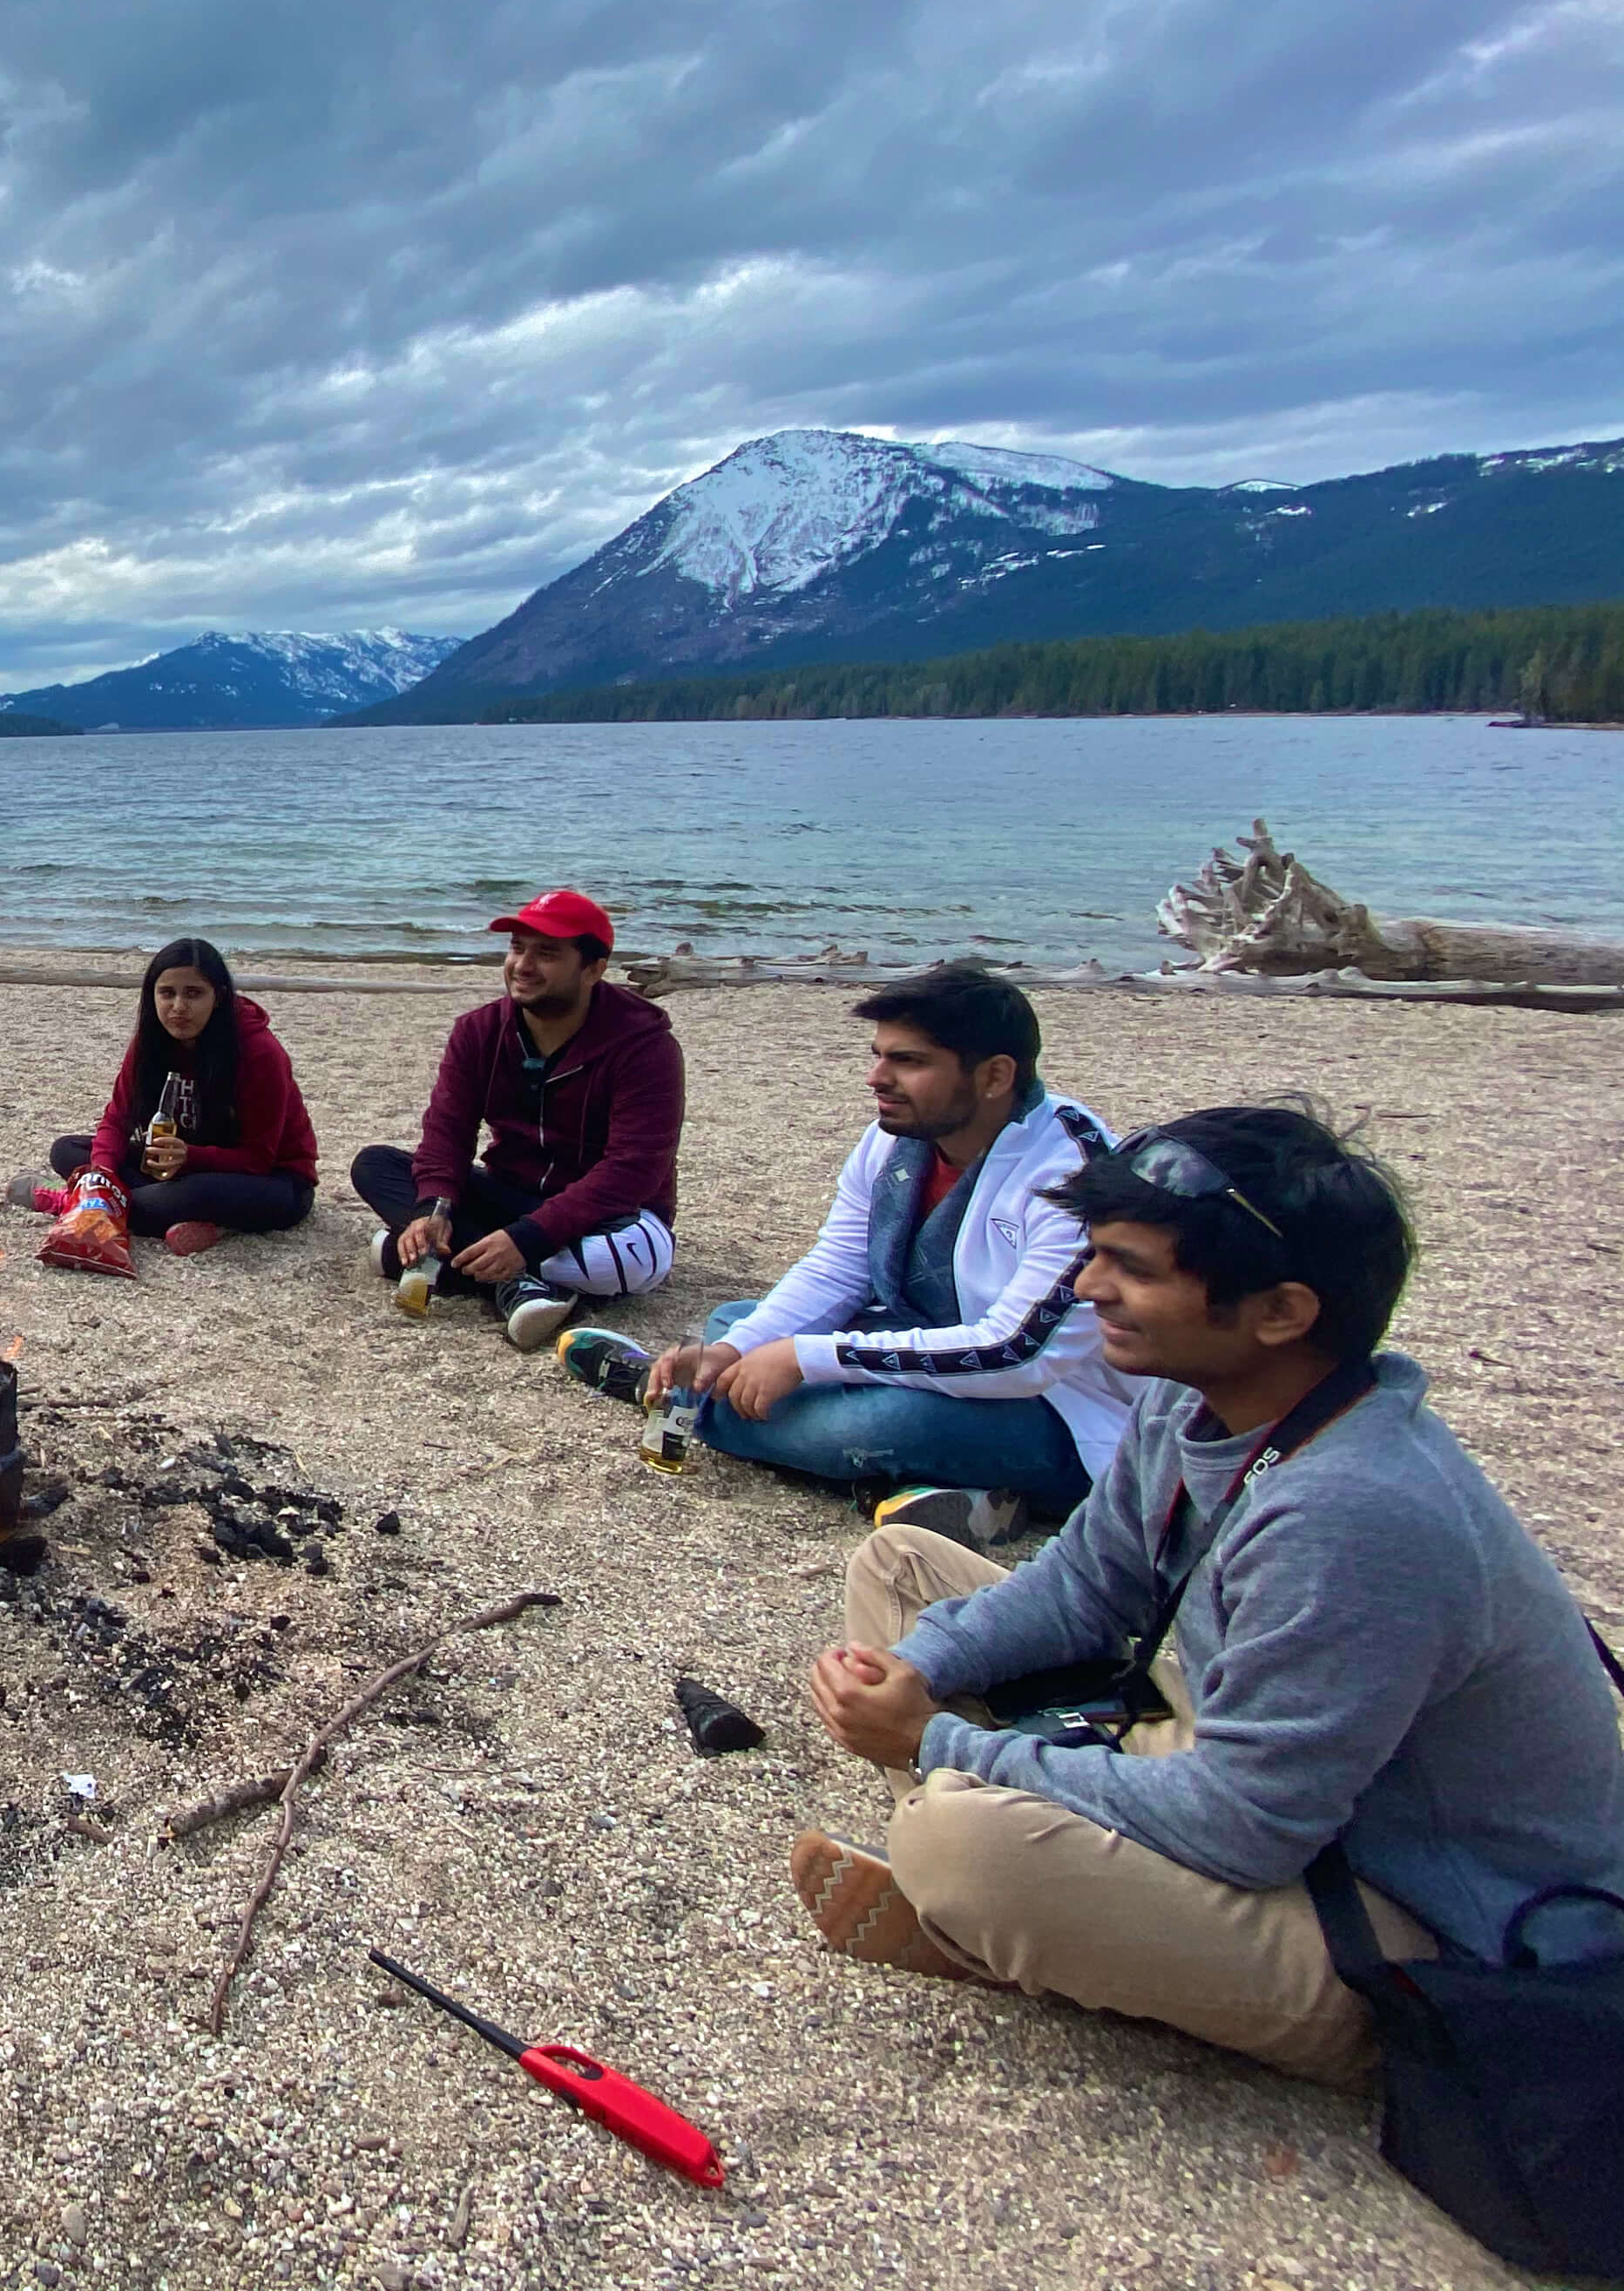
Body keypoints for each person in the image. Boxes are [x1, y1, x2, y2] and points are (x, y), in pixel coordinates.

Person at [789, 1105, 1624, 2084]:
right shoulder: (1199, 1393)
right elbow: (1084, 1587)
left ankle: (1011, 1908)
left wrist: (935, 1742)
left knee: (957, 1843)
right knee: (900, 1574)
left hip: (1426, 1921)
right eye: (1094, 1255)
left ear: (1282, 1311)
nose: (1087, 1287)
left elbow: (1249, 1824)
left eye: (1131, 1269)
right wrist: (919, 1676)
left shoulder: (1355, 1509)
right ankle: (1055, 1899)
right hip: (1278, 1767)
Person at [633, 962, 1134, 1549]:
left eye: (909, 1062)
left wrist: (802, 1357)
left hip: (1057, 1408)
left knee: (882, 1424)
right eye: (878, 1055)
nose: (878, 1077)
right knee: (735, 1322)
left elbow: (1017, 1354)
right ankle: (944, 1491)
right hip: (927, 1344)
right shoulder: (900, 1134)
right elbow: (838, 1267)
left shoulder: (1075, 1175)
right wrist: (738, 1350)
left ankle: (682, 1401)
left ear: (996, 1076)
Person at [348, 889, 683, 1348]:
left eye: (546, 953)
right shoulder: (479, 1032)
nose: (522, 965)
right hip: (509, 1195)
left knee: (635, 1259)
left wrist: (528, 1239)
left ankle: (443, 1263)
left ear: (593, 970)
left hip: (607, 1215)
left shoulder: (644, 1045)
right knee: (375, 1165)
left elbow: (633, 1170)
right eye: (517, 948)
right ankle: (515, 1285)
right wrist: (433, 1209)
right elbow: (448, 1133)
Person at [18, 938, 315, 1254]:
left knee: (175, 1197)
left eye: (193, 994)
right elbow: (116, 1120)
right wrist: (101, 1174)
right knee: (68, 1150)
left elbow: (259, 1158)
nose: (178, 1007)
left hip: (272, 1181)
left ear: (219, 997)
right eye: (167, 993)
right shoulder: (151, 1043)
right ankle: (182, 1220)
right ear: (152, 996)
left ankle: (76, 1201)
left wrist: (189, 1156)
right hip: (174, 1168)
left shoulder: (258, 1052)